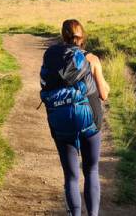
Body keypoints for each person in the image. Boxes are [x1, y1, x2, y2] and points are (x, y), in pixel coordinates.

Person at [40, 19, 109, 216]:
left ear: (63, 36)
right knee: (91, 170)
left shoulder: (52, 58)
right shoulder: (91, 59)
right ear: (82, 37)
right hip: (89, 120)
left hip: (60, 119)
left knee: (71, 176)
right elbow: (103, 94)